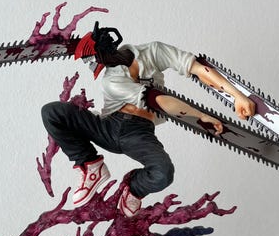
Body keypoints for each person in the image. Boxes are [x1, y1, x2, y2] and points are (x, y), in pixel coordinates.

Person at [41, 23, 255, 217]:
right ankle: (90, 165)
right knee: (52, 112)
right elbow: (159, 101)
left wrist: (237, 96)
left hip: (139, 133)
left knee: (163, 173)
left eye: (90, 60)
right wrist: (200, 115)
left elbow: (196, 68)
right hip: (109, 127)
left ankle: (134, 189)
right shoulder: (111, 80)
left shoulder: (153, 51)